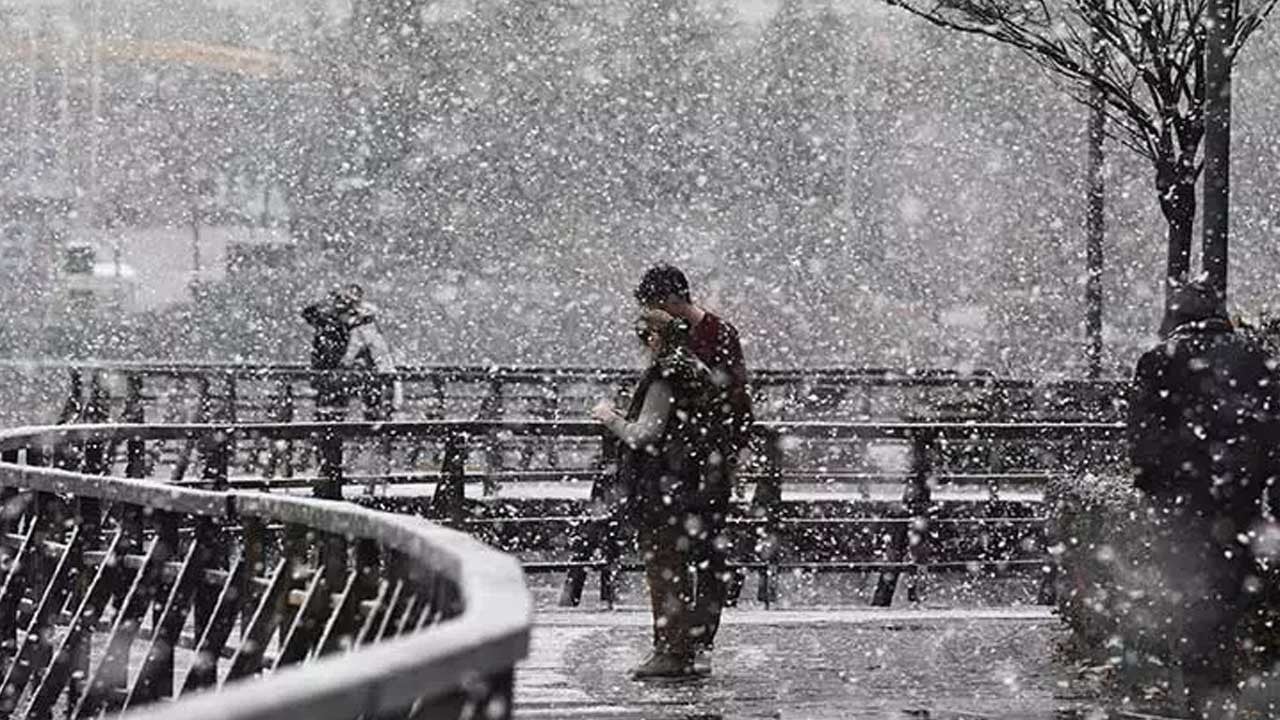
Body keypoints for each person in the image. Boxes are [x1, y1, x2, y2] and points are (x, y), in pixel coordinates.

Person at [1128, 277, 1280, 712]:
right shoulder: (1255, 359)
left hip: (1184, 500)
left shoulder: (1159, 361)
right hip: (1240, 497)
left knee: (1191, 593)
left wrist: (1154, 485)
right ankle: (1225, 682)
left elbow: (1145, 439)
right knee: (1231, 589)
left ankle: (1197, 688)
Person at [633, 263, 753, 674]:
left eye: (654, 307)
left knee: (693, 549)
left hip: (693, 461)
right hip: (696, 459)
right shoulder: (711, 337)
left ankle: (688, 639)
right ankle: (688, 637)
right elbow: (735, 400)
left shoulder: (696, 345)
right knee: (692, 548)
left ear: (669, 302)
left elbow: (733, 400)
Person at [592, 309, 718, 679]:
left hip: (663, 486)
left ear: (654, 339)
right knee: (681, 567)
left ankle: (671, 651)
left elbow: (644, 434)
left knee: (664, 569)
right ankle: (687, 647)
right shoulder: (696, 369)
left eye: (643, 337)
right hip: (690, 481)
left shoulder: (666, 375)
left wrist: (609, 417)